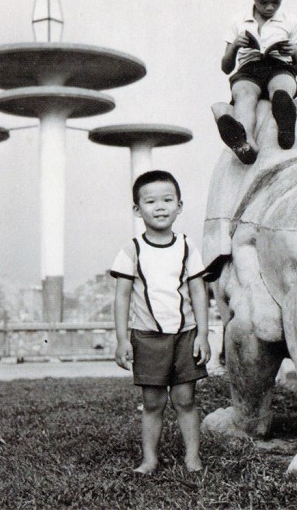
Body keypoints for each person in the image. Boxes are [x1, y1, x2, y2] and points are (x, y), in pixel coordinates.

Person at [111, 170, 211, 473]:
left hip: (185, 335)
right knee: (153, 402)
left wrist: (203, 334)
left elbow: (198, 291)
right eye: (151, 201)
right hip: (147, 337)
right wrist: (121, 340)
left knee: (185, 398)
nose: (160, 207)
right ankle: (149, 459)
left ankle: (192, 457)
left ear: (179, 205)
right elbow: (122, 297)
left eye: (167, 200)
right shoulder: (132, 250)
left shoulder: (187, 246)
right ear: (137, 210)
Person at [217, 0, 297, 164]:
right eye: (262, 2)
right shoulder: (238, 21)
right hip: (249, 70)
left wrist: (295, 53)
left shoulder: (292, 22)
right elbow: (226, 68)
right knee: (244, 95)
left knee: (281, 88)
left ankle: (285, 125)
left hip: (280, 67)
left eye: (276, 2)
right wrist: (234, 48)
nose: (269, 7)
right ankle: (244, 141)